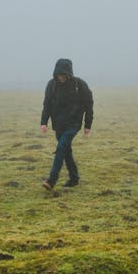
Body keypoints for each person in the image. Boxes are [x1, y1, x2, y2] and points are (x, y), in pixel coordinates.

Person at [40, 58, 94, 190]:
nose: (61, 77)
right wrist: (44, 122)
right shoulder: (51, 85)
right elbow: (47, 104)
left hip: (73, 123)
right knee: (66, 150)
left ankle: (52, 180)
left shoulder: (79, 84)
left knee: (61, 147)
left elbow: (89, 104)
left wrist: (87, 125)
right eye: (59, 75)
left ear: (69, 73)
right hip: (58, 124)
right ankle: (74, 178)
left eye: (64, 75)